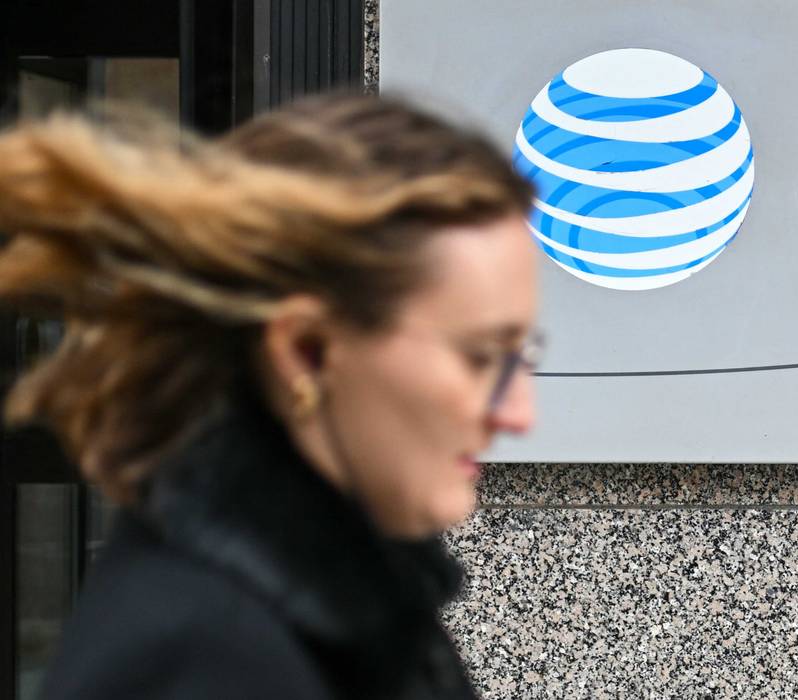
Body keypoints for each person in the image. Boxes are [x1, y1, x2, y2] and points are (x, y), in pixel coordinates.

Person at [0, 94, 542, 699]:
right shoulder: (212, 660)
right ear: (305, 350)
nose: (519, 413)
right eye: (481, 357)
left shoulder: (320, 611)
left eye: (522, 356)